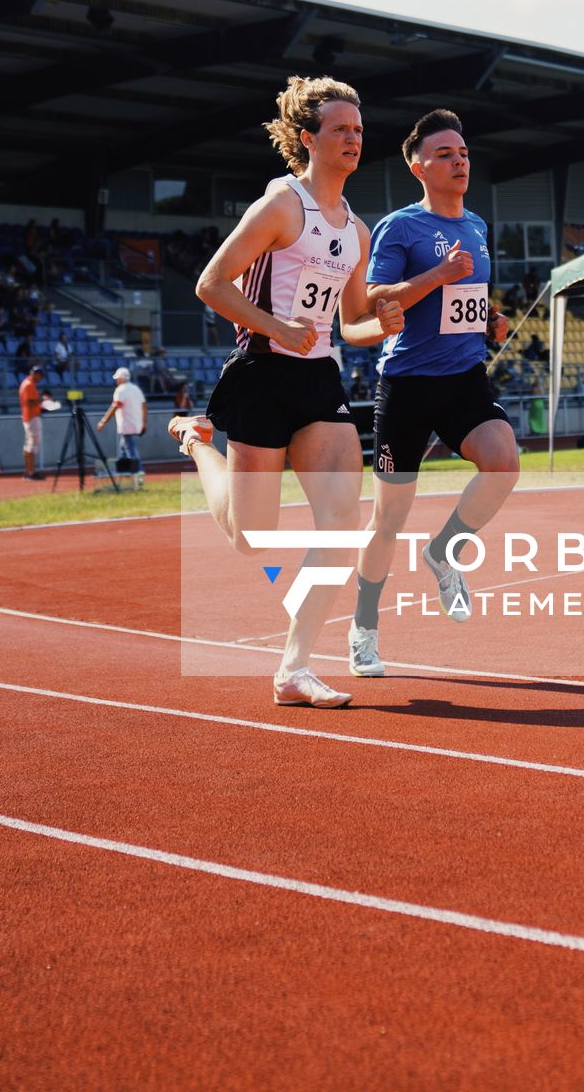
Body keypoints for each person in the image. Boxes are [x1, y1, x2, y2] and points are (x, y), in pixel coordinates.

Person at [168, 76, 402, 709]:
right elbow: (211, 284)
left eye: (358, 130)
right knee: (253, 537)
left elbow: (349, 323)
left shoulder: (357, 228)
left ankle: (294, 667)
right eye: (339, 130)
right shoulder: (280, 206)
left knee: (341, 519)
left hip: (319, 379)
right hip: (262, 374)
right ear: (309, 139)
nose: (353, 139)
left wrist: (379, 320)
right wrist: (275, 326)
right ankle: (197, 444)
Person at [348, 109, 516, 679]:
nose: (459, 161)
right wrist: (436, 276)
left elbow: (465, 300)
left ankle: (444, 551)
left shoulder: (478, 226)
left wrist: (488, 318)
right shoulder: (401, 227)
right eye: (444, 154)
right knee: (387, 519)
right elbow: (375, 298)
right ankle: (364, 627)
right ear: (417, 166)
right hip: (408, 385)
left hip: (465, 376)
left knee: (503, 462)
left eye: (463, 153)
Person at [97, 366, 149, 491]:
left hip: (126, 425)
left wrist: (103, 421)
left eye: (117, 378)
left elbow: (115, 407)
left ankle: (138, 472)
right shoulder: (136, 389)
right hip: (135, 424)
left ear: (121, 378)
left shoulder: (120, 390)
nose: (116, 381)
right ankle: (121, 477)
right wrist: (143, 422)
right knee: (123, 451)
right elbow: (144, 406)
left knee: (130, 450)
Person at [17, 362, 48, 479]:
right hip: (31, 417)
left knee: (29, 445)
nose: (41, 378)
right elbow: (29, 402)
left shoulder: (28, 383)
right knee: (33, 445)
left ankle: (28, 471)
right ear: (35, 374)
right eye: (40, 375)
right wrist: (41, 400)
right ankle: (30, 472)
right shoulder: (28, 384)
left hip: (29, 416)